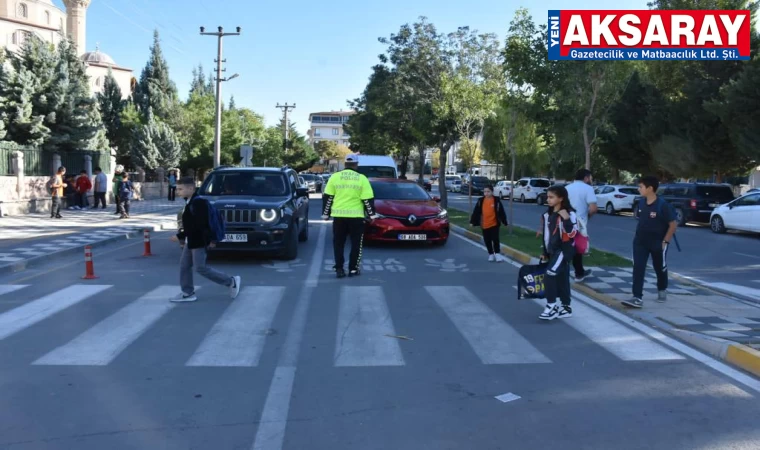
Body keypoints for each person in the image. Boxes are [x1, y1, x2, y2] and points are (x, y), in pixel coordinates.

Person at [170, 178, 241, 302]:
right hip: (191, 240)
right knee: (184, 266)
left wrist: (180, 236)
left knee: (200, 268)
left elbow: (200, 225)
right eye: (177, 189)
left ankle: (230, 281)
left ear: (191, 189)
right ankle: (188, 293)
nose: (178, 191)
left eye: (181, 189)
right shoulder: (190, 202)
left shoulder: (199, 203)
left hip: (198, 241)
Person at [622, 176, 677, 309]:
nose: (638, 189)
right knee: (638, 268)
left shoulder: (662, 205)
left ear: (650, 188)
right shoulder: (641, 203)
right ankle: (637, 297)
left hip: (658, 243)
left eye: (641, 187)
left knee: (660, 268)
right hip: (640, 242)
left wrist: (665, 242)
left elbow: (673, 225)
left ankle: (662, 289)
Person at [321, 153, 377, 278]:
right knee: (357, 244)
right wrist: (372, 215)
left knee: (338, 244)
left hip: (339, 217)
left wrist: (325, 214)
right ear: (356, 165)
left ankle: (339, 269)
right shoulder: (362, 178)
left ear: (345, 164)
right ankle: (353, 269)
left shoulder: (335, 177)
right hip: (356, 218)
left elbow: (328, 197)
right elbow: (367, 199)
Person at [539, 185, 578, 321]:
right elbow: (546, 236)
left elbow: (573, 234)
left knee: (550, 274)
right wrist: (545, 251)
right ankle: (566, 307)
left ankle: (552, 306)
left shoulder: (569, 214)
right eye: (547, 197)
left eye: (551, 197)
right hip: (552, 251)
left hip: (563, 250)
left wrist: (566, 220)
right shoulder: (547, 215)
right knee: (562, 278)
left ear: (561, 198)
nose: (548, 200)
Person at [564, 169, 597, 281]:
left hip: (566, 220)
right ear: (586, 178)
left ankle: (578, 271)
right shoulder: (588, 189)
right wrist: (587, 216)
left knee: (568, 245)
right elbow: (593, 208)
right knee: (578, 247)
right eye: (590, 178)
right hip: (579, 222)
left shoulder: (567, 188)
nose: (591, 180)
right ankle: (579, 273)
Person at [469, 185, 508, 262]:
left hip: (494, 224)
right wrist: (472, 222)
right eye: (485, 192)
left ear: (492, 192)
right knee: (487, 240)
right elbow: (476, 212)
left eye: (488, 191)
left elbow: (501, 212)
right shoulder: (481, 201)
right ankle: (491, 254)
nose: (486, 193)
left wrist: (505, 222)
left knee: (495, 239)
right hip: (484, 224)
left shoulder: (496, 201)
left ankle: (497, 254)